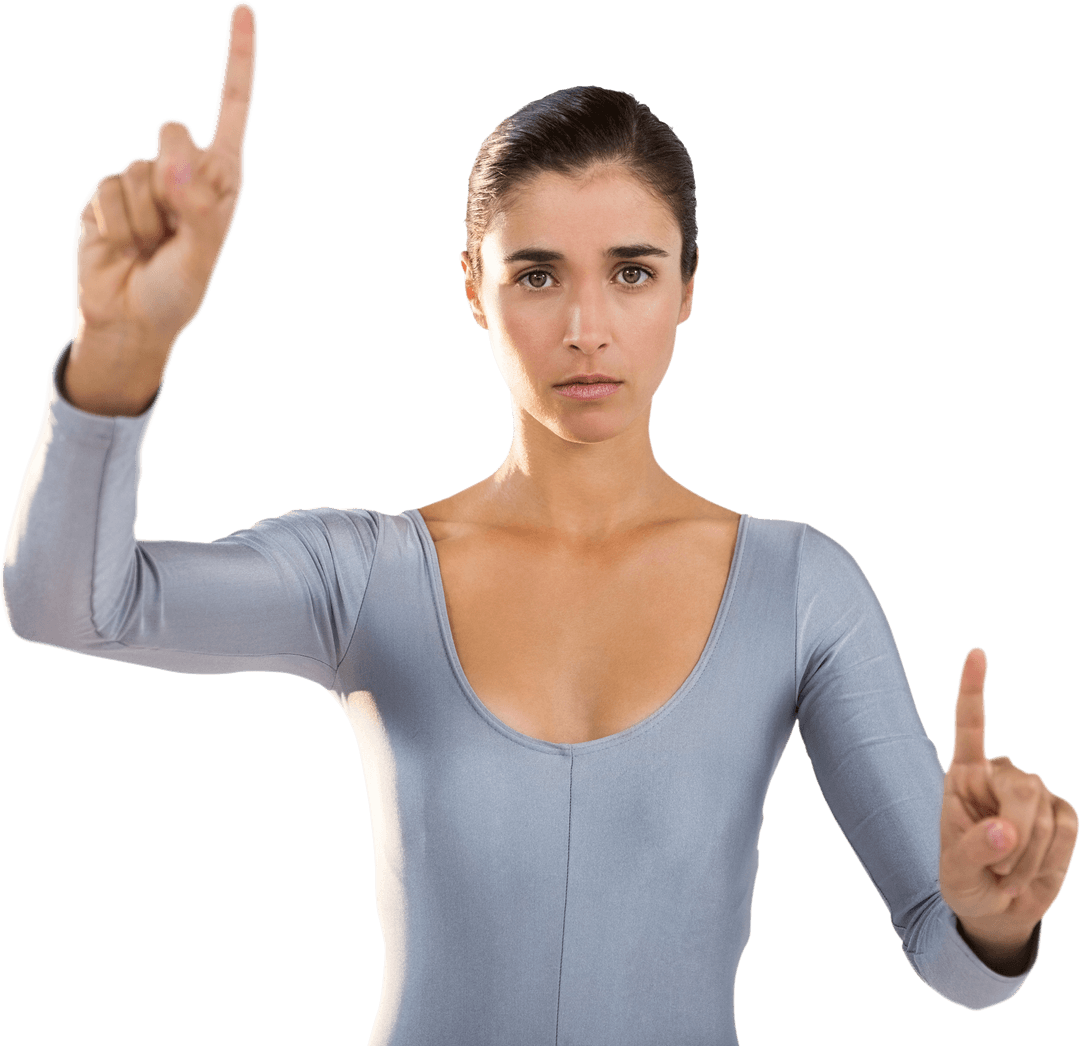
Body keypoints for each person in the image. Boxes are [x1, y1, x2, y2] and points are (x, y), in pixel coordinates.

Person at [2, 4, 1076, 1043]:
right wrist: (118, 352)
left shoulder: (800, 588)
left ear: (690, 286)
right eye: (537, 273)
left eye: (633, 271)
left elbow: (954, 963)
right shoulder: (369, 575)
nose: (586, 327)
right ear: (473, 287)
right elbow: (69, 606)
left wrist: (996, 909)